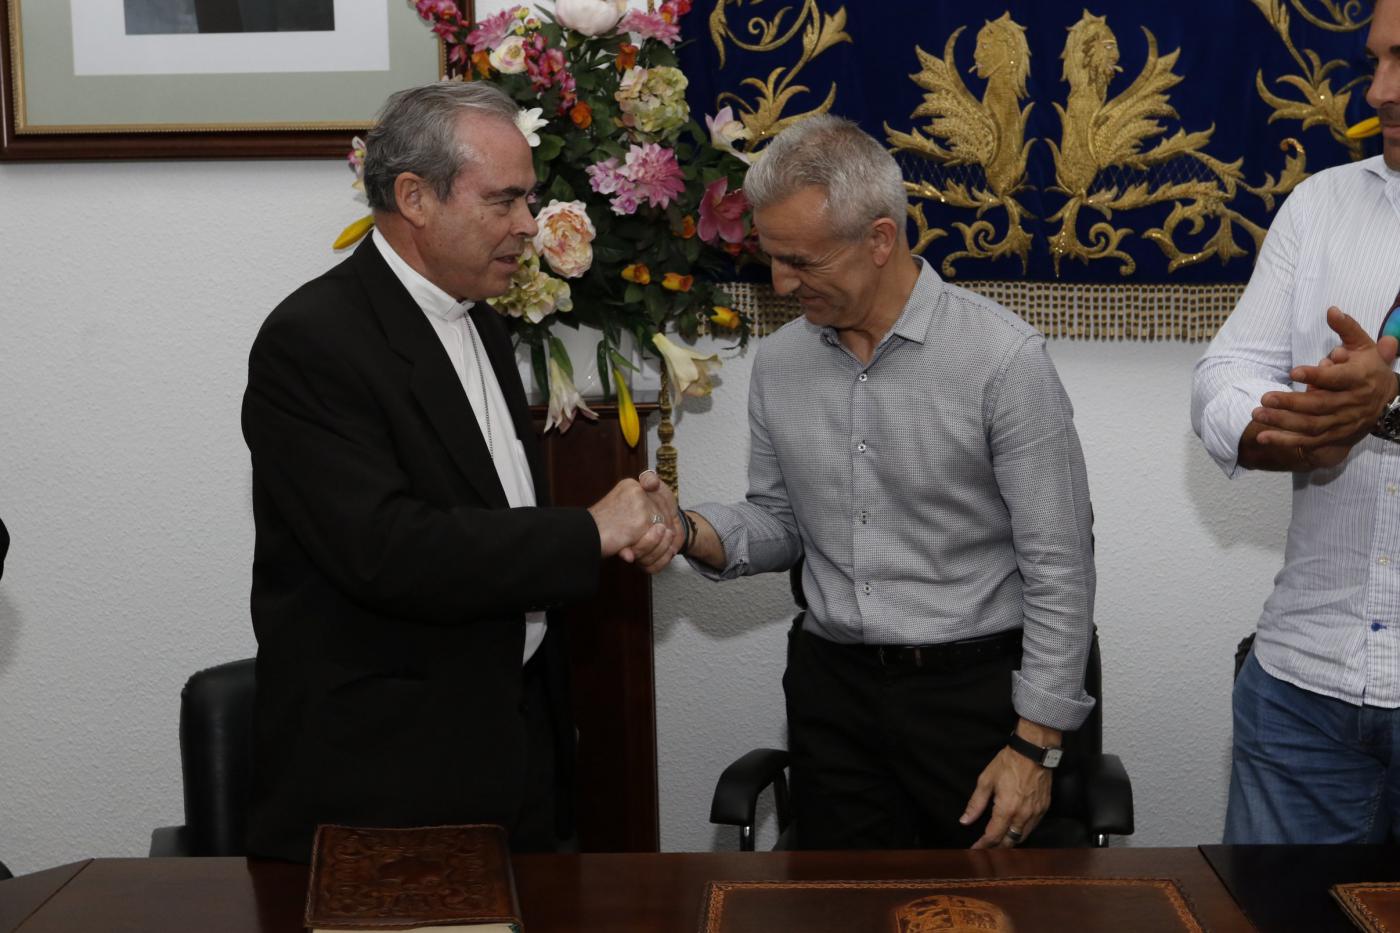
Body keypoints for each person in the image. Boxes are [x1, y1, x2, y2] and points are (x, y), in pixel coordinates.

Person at [241, 81, 675, 862]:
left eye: (530, 199)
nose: (528, 225)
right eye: (504, 200)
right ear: (414, 196)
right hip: (388, 784)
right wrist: (587, 532)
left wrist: (616, 528)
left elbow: (488, 512)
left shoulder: (479, 313)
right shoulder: (313, 341)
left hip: (514, 762)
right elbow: (385, 548)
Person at [652, 115, 1096, 849]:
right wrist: (687, 529)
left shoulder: (1002, 359)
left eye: (802, 260)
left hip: (977, 701)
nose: (781, 282)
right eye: (772, 256)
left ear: (880, 240)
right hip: (835, 697)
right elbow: (782, 521)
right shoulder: (781, 362)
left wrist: (1034, 746)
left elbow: (1061, 566)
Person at [1191, 0, 1400, 845]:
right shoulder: (1320, 207)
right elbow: (1223, 377)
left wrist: (1387, 402)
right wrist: (1292, 422)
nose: (1380, 91)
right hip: (1302, 697)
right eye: (1375, 62)